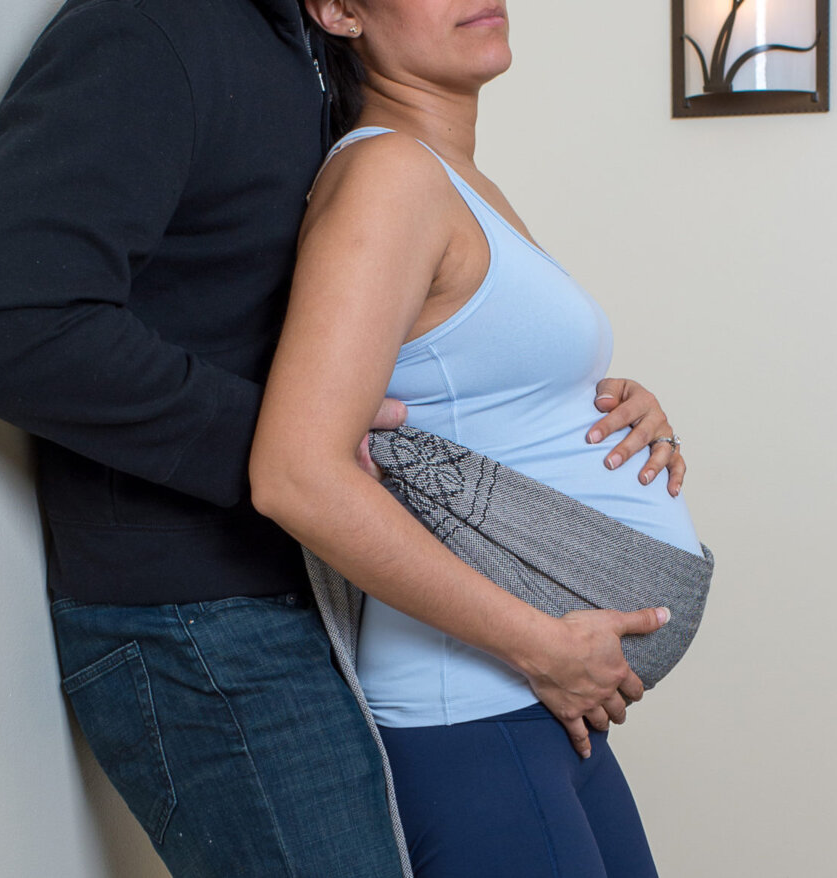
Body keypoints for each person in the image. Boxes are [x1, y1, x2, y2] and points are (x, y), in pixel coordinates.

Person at [0, 0, 688, 875]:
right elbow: (9, 326)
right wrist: (302, 449)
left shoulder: (313, 57)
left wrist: (579, 411)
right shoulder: (148, 31)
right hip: (205, 616)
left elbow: (390, 351)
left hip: (327, 593)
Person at [249, 2, 708, 876]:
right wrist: (539, 645)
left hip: (529, 703)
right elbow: (295, 473)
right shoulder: (387, 175)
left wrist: (606, 404)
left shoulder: (446, 175)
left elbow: (464, 392)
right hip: (475, 706)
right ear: (342, 12)